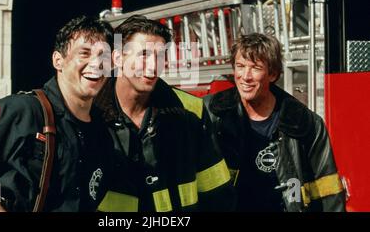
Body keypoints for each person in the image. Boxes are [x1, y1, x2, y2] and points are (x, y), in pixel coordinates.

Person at [0, 16, 136, 212]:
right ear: (58, 60)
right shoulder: (23, 110)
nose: (96, 63)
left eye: (104, 56)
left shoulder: (102, 131)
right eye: (84, 53)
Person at [93, 15, 233, 212]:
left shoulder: (190, 111)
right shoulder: (90, 115)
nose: (152, 67)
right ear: (117, 58)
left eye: (159, 56)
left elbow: (216, 191)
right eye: (143, 54)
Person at [203, 33, 345, 212]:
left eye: (255, 68)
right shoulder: (211, 113)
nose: (245, 76)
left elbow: (329, 189)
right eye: (240, 66)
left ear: (272, 74)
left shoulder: (305, 123)